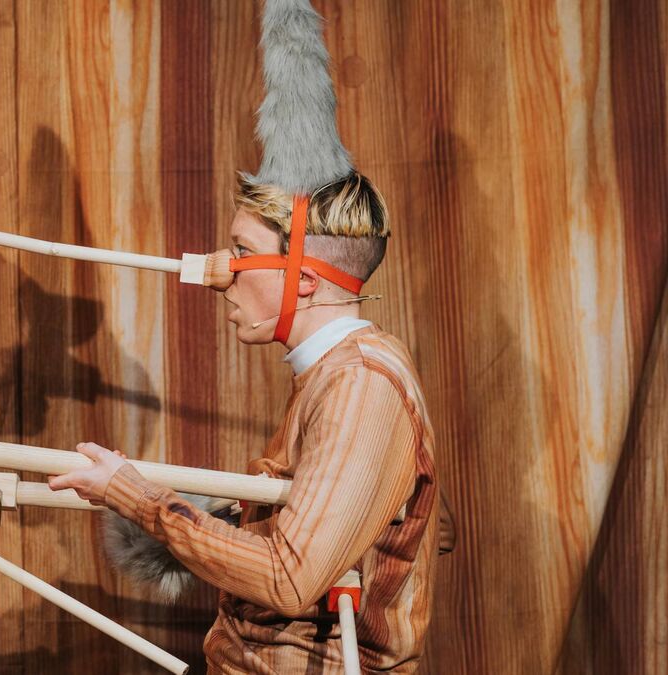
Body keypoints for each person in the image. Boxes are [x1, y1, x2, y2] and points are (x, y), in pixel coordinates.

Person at [51, 172, 442, 673]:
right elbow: (426, 524)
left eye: (241, 250)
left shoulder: (361, 383)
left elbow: (289, 579)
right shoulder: (341, 372)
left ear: (305, 279)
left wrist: (136, 497)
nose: (221, 274)